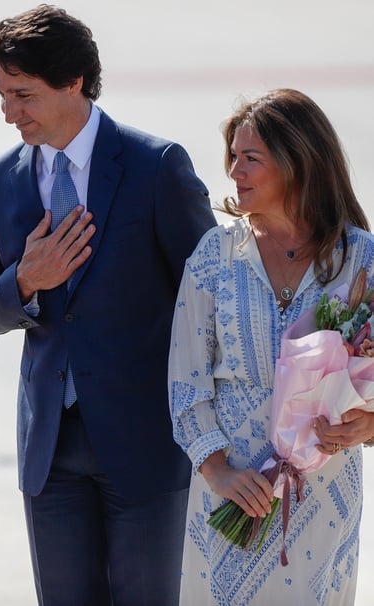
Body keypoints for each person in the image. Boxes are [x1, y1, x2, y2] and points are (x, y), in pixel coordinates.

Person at [0, 5, 217, 605]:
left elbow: (213, 301)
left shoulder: (156, 166)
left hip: (147, 445)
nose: (8, 112)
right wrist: (24, 282)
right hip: (50, 453)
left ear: (73, 81)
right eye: (1, 95)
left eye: (22, 94)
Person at [169, 88, 374, 604]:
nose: (235, 172)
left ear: (298, 163)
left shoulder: (362, 260)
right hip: (230, 492)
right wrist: (218, 471)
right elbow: (184, 379)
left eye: (250, 159)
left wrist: (368, 424)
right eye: (233, 158)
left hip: (323, 496)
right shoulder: (215, 255)